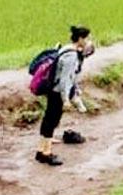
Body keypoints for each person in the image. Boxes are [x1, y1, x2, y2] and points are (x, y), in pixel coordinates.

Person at [35, 26, 92, 166]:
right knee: (52, 121)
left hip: (53, 90)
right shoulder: (71, 56)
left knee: (48, 119)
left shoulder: (66, 48)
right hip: (57, 92)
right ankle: (46, 154)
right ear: (80, 39)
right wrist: (65, 99)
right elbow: (66, 79)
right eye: (87, 38)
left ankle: (41, 150)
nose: (89, 41)